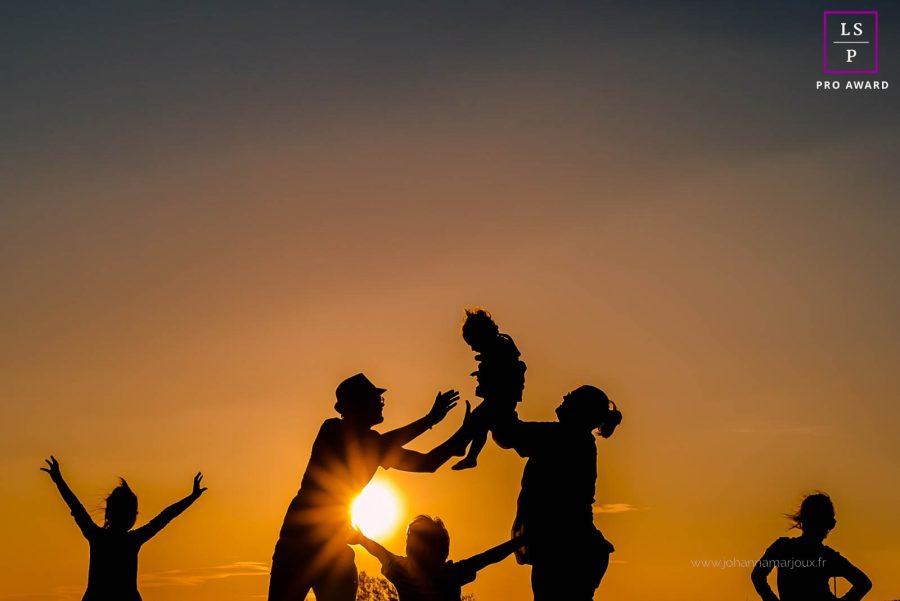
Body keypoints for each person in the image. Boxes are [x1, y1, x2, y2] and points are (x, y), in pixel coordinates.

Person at [268, 373, 473, 601]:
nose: (381, 404)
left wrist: (461, 437)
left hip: (332, 548)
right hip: (299, 543)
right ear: (356, 406)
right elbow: (382, 445)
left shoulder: (375, 445)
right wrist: (430, 420)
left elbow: (428, 463)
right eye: (375, 399)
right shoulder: (333, 430)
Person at [492, 385, 622, 601]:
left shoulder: (564, 438)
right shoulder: (574, 439)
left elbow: (508, 434)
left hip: (565, 550)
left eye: (571, 396)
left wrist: (499, 398)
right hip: (572, 548)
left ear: (580, 409)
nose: (564, 396)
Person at [40, 456, 207, 601]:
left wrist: (59, 480)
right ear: (132, 516)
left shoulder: (97, 537)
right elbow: (165, 517)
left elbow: (76, 506)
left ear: (107, 513)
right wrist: (191, 498)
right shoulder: (131, 541)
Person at [351, 515, 523, 601]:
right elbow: (488, 557)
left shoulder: (402, 569)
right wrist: (518, 542)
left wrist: (361, 540)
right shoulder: (449, 575)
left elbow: (488, 557)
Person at [751, 492, 872, 601]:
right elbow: (864, 583)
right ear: (829, 525)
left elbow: (757, 575)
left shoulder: (782, 547)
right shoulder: (828, 556)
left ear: (802, 521)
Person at [453, 308, 527, 470]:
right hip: (499, 397)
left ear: (481, 335)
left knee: (478, 419)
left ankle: (467, 451)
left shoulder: (500, 348)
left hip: (502, 399)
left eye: (473, 343)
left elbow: (504, 372)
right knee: (481, 423)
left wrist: (486, 375)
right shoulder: (498, 348)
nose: (473, 349)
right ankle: (470, 454)